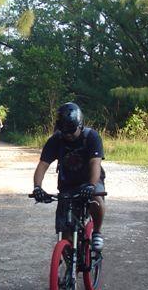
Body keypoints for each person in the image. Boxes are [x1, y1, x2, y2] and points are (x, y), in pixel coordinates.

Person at [31, 102, 106, 251]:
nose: (69, 135)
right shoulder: (56, 140)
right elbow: (43, 165)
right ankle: (67, 258)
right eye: (64, 131)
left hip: (90, 179)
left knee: (96, 200)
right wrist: (37, 187)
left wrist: (91, 185)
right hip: (68, 183)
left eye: (72, 130)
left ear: (80, 125)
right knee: (64, 232)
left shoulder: (91, 137)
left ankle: (97, 232)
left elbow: (95, 164)